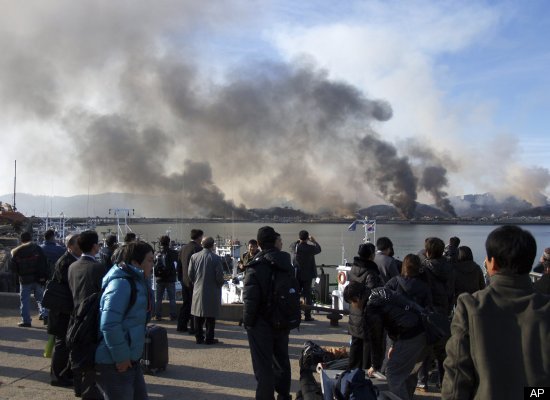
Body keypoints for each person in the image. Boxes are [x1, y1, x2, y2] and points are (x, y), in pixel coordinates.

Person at [442, 225, 550, 399]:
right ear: (530, 262)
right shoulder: (545, 307)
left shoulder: (471, 306)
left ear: (492, 263)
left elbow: (456, 377)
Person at [344, 281, 427, 400]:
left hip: (410, 334)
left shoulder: (371, 307)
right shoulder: (379, 291)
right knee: (409, 371)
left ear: (357, 298)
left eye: (351, 302)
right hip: (424, 327)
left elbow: (376, 339)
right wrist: (393, 343)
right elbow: (397, 316)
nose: (353, 306)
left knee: (393, 372)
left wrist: (375, 365)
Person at [95, 241, 153, 400]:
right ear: (135, 262)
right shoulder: (121, 284)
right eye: (149, 260)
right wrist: (121, 357)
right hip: (115, 361)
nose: (152, 265)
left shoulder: (137, 282)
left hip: (130, 358)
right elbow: (109, 324)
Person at [243, 226, 293, 400]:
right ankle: (284, 395)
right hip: (282, 320)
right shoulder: (287, 264)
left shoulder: (256, 267)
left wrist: (248, 322)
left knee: (263, 366)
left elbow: (250, 299)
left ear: (258, 243)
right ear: (275, 241)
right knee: (282, 360)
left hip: (261, 324)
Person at [67, 230, 106, 400]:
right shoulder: (98, 268)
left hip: (76, 314)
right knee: (91, 358)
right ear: (94, 246)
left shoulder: (72, 266)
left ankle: (78, 388)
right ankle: (90, 390)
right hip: (93, 317)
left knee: (77, 353)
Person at [48, 233, 81, 387]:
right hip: (62, 309)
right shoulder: (66, 262)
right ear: (71, 246)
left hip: (65, 308)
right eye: (78, 244)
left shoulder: (71, 260)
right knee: (62, 344)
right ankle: (57, 376)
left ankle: (65, 373)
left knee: (66, 343)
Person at [347, 242, 383, 370]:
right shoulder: (371, 273)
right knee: (367, 344)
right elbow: (372, 294)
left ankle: (352, 370)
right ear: (371, 255)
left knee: (355, 342)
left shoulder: (353, 268)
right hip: (366, 312)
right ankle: (364, 371)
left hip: (354, 309)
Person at [188, 236, 224, 345]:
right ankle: (209, 338)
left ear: (202, 244)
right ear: (212, 245)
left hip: (198, 290)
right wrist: (219, 284)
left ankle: (199, 337)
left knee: (198, 315)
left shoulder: (194, 257)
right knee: (210, 316)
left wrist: (196, 282)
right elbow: (219, 277)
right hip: (212, 290)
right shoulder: (216, 258)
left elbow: (190, 274)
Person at [9, 231, 49, 327]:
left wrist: (20, 274)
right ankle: (45, 315)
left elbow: (13, 268)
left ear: (21, 240)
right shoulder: (37, 249)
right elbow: (44, 263)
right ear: (30, 239)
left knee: (25, 301)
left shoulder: (16, 252)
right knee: (41, 298)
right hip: (38, 278)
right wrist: (43, 277)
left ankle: (26, 321)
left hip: (24, 280)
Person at [176, 229, 203, 333]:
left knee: (186, 303)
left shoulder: (183, 249)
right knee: (195, 305)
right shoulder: (198, 249)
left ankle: (181, 325)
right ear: (199, 237)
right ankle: (194, 327)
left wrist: (181, 278)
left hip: (184, 281)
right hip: (195, 281)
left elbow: (179, 266)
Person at [292, 230, 321, 321]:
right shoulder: (310, 248)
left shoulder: (295, 247)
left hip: (297, 274)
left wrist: (299, 240)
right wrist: (314, 241)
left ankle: (296, 314)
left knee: (296, 294)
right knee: (307, 295)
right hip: (308, 275)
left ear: (299, 237)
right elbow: (319, 249)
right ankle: (307, 315)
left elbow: (292, 245)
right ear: (307, 238)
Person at [153, 235, 179, 321]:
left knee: (158, 299)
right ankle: (173, 315)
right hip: (170, 278)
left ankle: (158, 315)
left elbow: (154, 264)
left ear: (160, 243)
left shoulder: (157, 253)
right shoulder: (174, 253)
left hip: (159, 278)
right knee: (172, 299)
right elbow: (177, 264)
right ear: (169, 242)